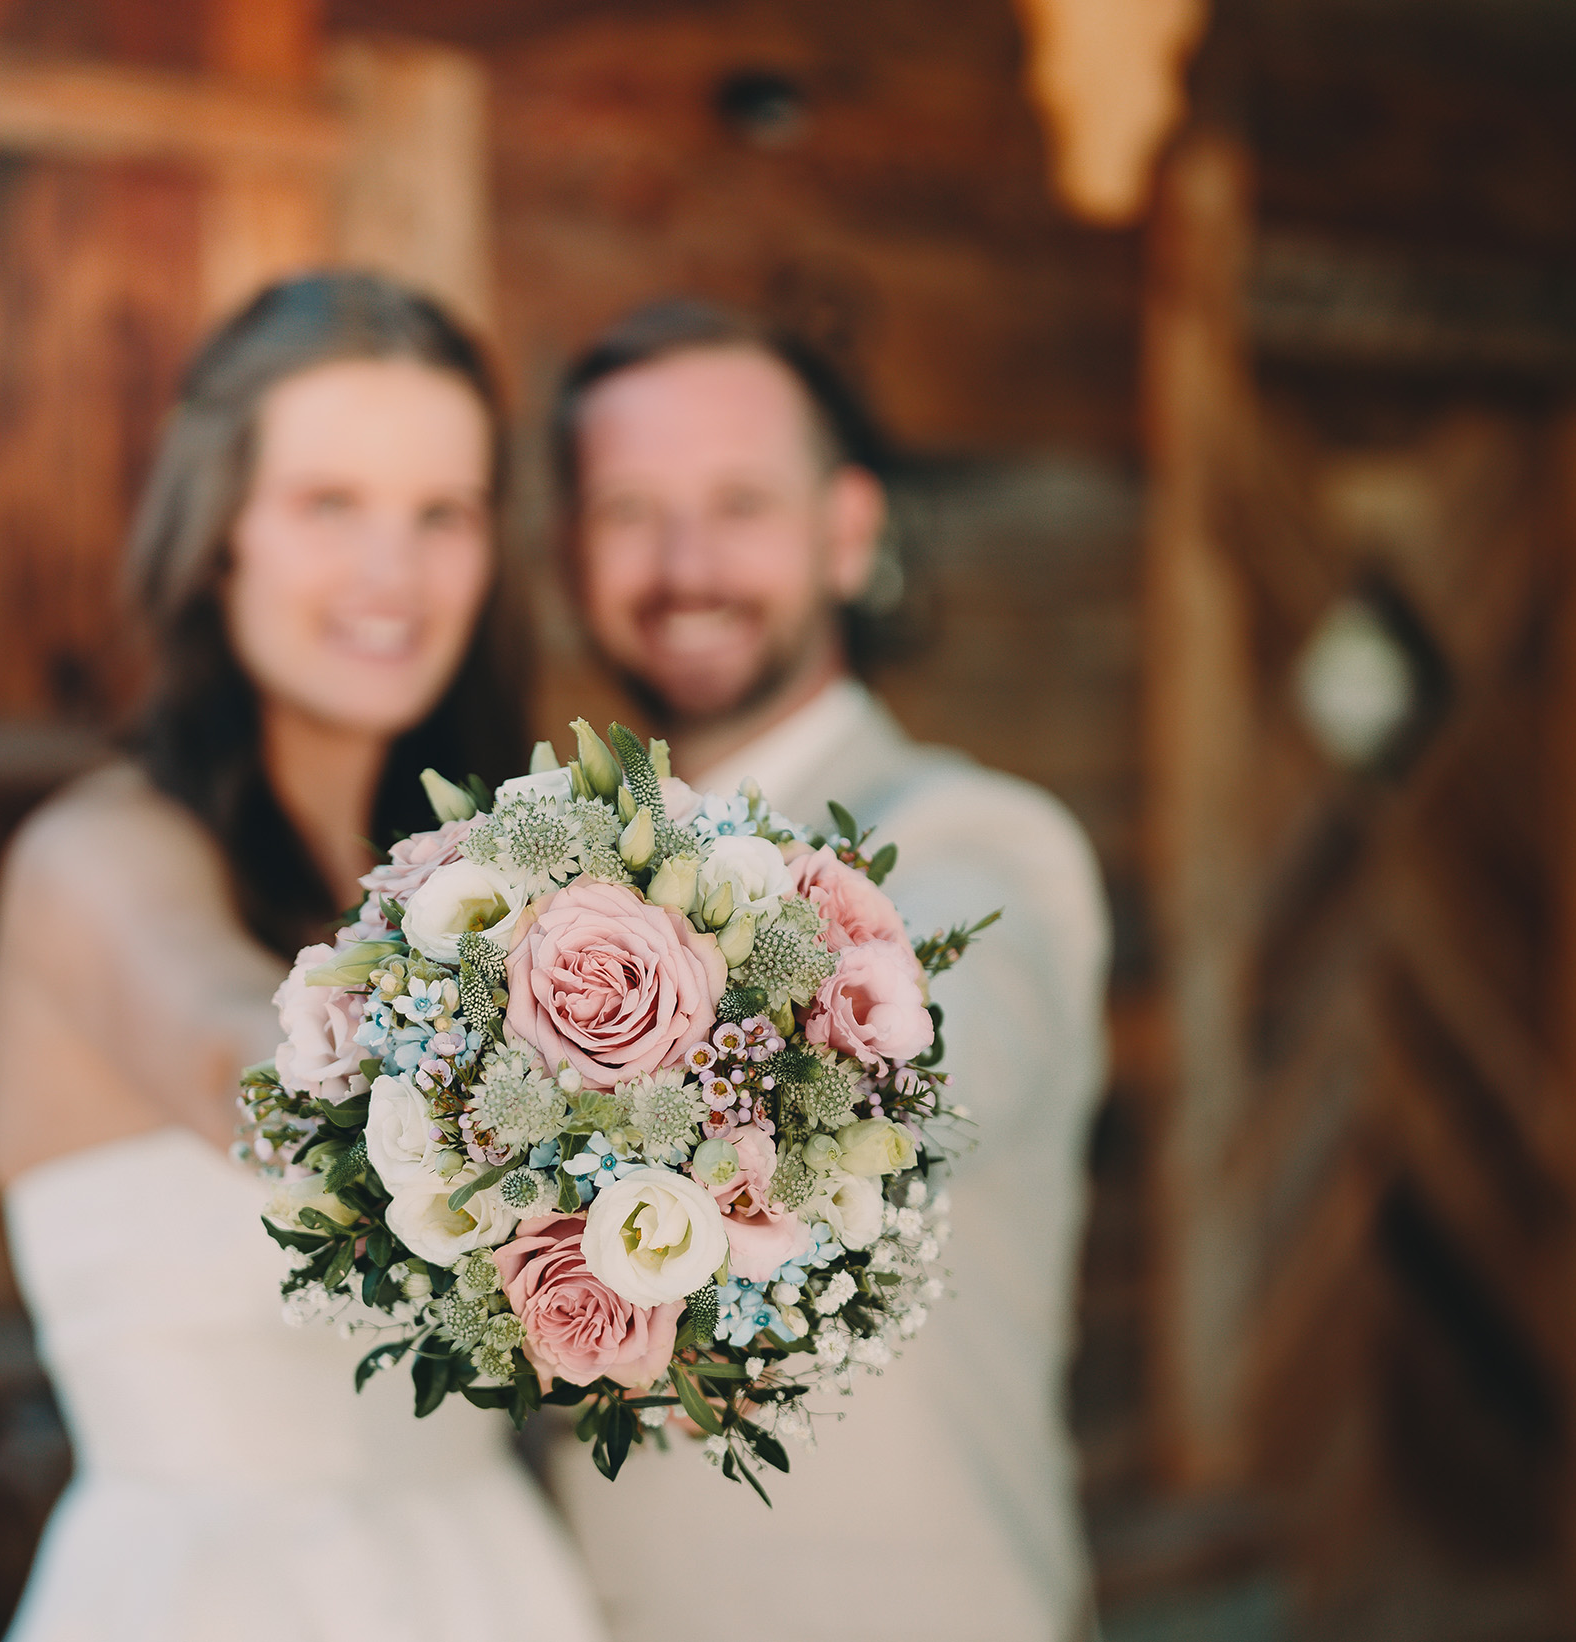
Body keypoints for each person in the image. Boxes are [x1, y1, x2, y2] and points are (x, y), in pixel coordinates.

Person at [0, 272, 604, 1642]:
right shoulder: (93, 861)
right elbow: (225, 1040)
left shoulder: (488, 880)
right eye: (331, 506)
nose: (394, 573)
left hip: (489, 1578)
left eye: (441, 516)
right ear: (221, 539)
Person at [547, 300, 1112, 1642]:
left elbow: (911, 1070)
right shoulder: (549, 884)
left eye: (739, 501)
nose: (686, 562)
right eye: (630, 508)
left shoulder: (987, 846)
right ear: (575, 551)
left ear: (848, 532)